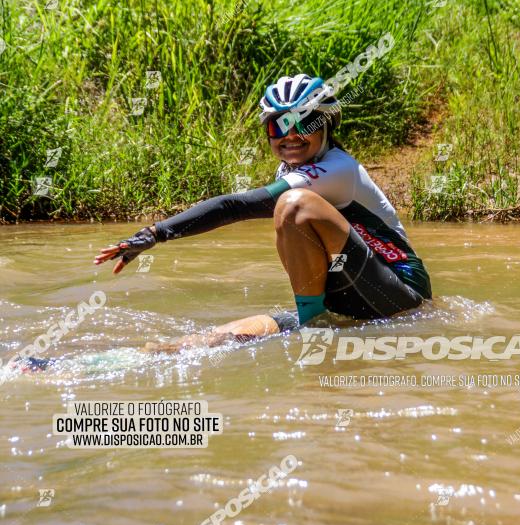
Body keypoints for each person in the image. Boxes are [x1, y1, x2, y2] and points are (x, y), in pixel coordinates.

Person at [94, 74, 432, 351]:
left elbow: (237, 206)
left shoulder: (339, 169)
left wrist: (155, 233)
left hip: (399, 292)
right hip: (342, 300)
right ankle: (106, 362)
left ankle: (312, 326)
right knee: (211, 341)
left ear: (327, 125)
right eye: (277, 127)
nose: (291, 136)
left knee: (292, 205)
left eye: (305, 122)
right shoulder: (289, 175)